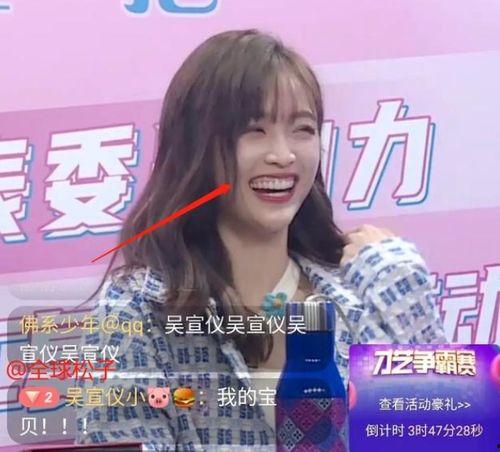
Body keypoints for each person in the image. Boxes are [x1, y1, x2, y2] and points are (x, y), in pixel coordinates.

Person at [75, 29, 446, 451]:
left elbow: (448, 435)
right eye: (255, 130)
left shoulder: (358, 296)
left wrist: (402, 292)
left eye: (302, 129)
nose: (283, 155)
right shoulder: (140, 309)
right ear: (197, 145)